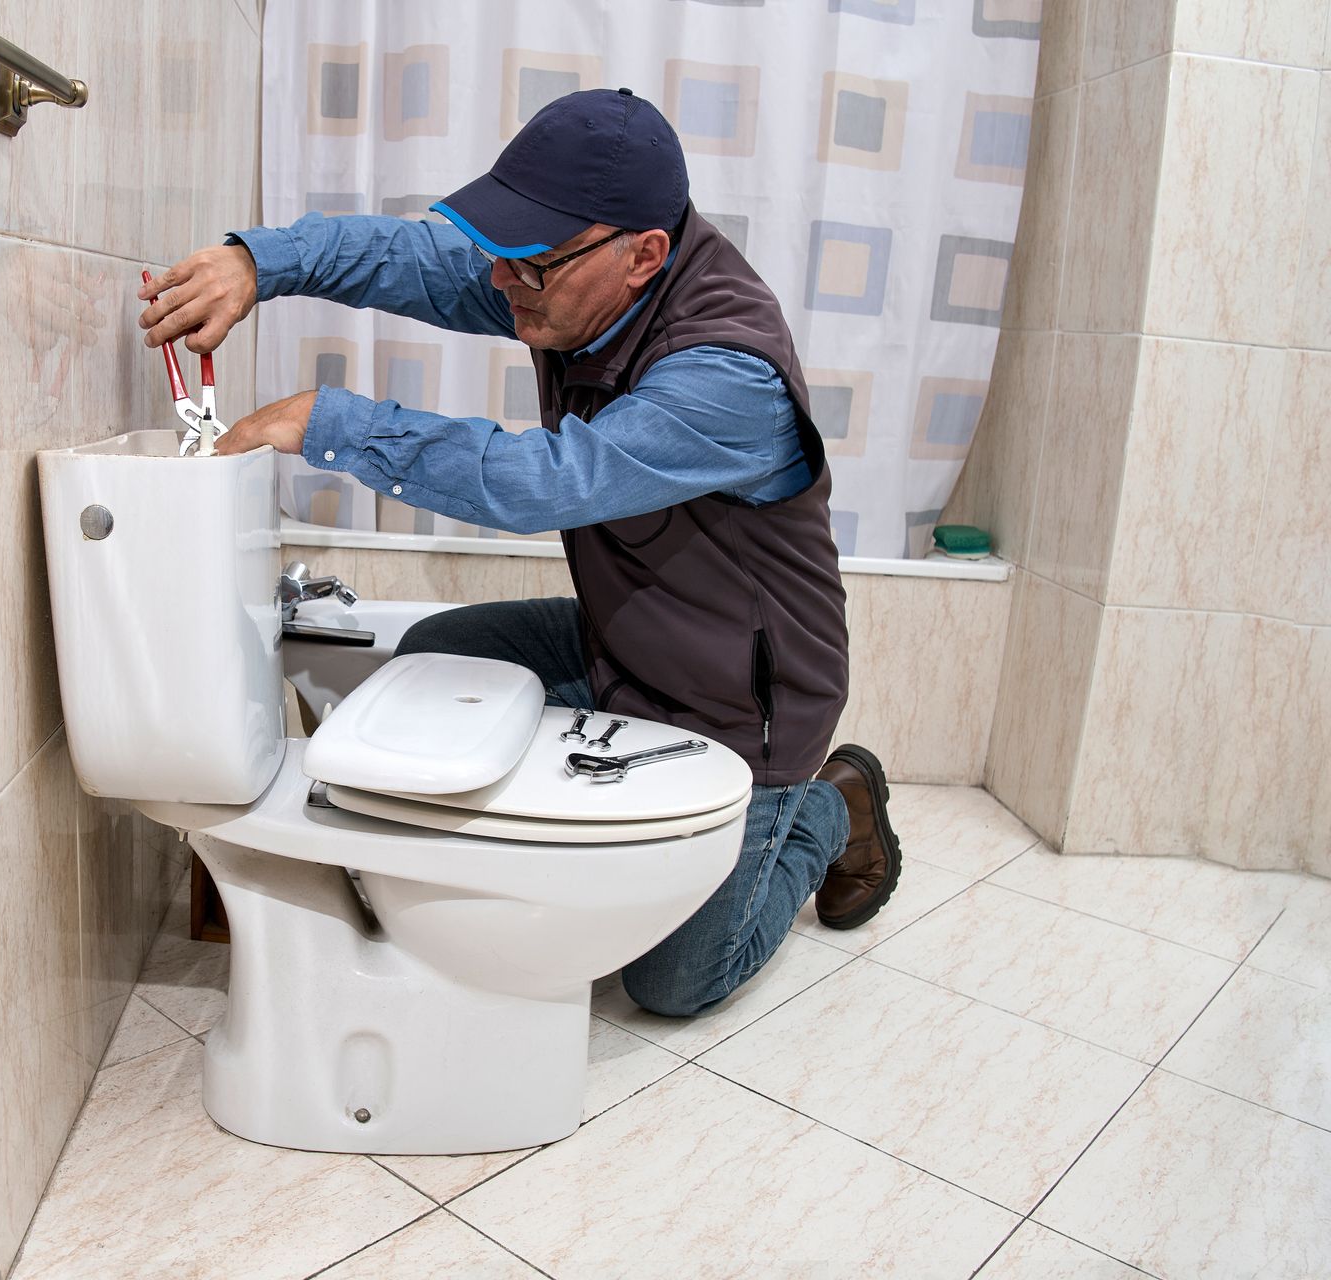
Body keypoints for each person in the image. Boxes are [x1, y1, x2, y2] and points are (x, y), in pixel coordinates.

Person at [137, 87, 902, 1018]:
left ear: (643, 256)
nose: (503, 284)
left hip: (745, 708)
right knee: (427, 664)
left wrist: (327, 422)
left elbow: (548, 482)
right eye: (505, 258)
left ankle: (830, 805)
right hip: (626, 639)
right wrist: (258, 262)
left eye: (528, 268)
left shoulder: (726, 375)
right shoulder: (572, 283)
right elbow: (413, 259)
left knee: (671, 983)